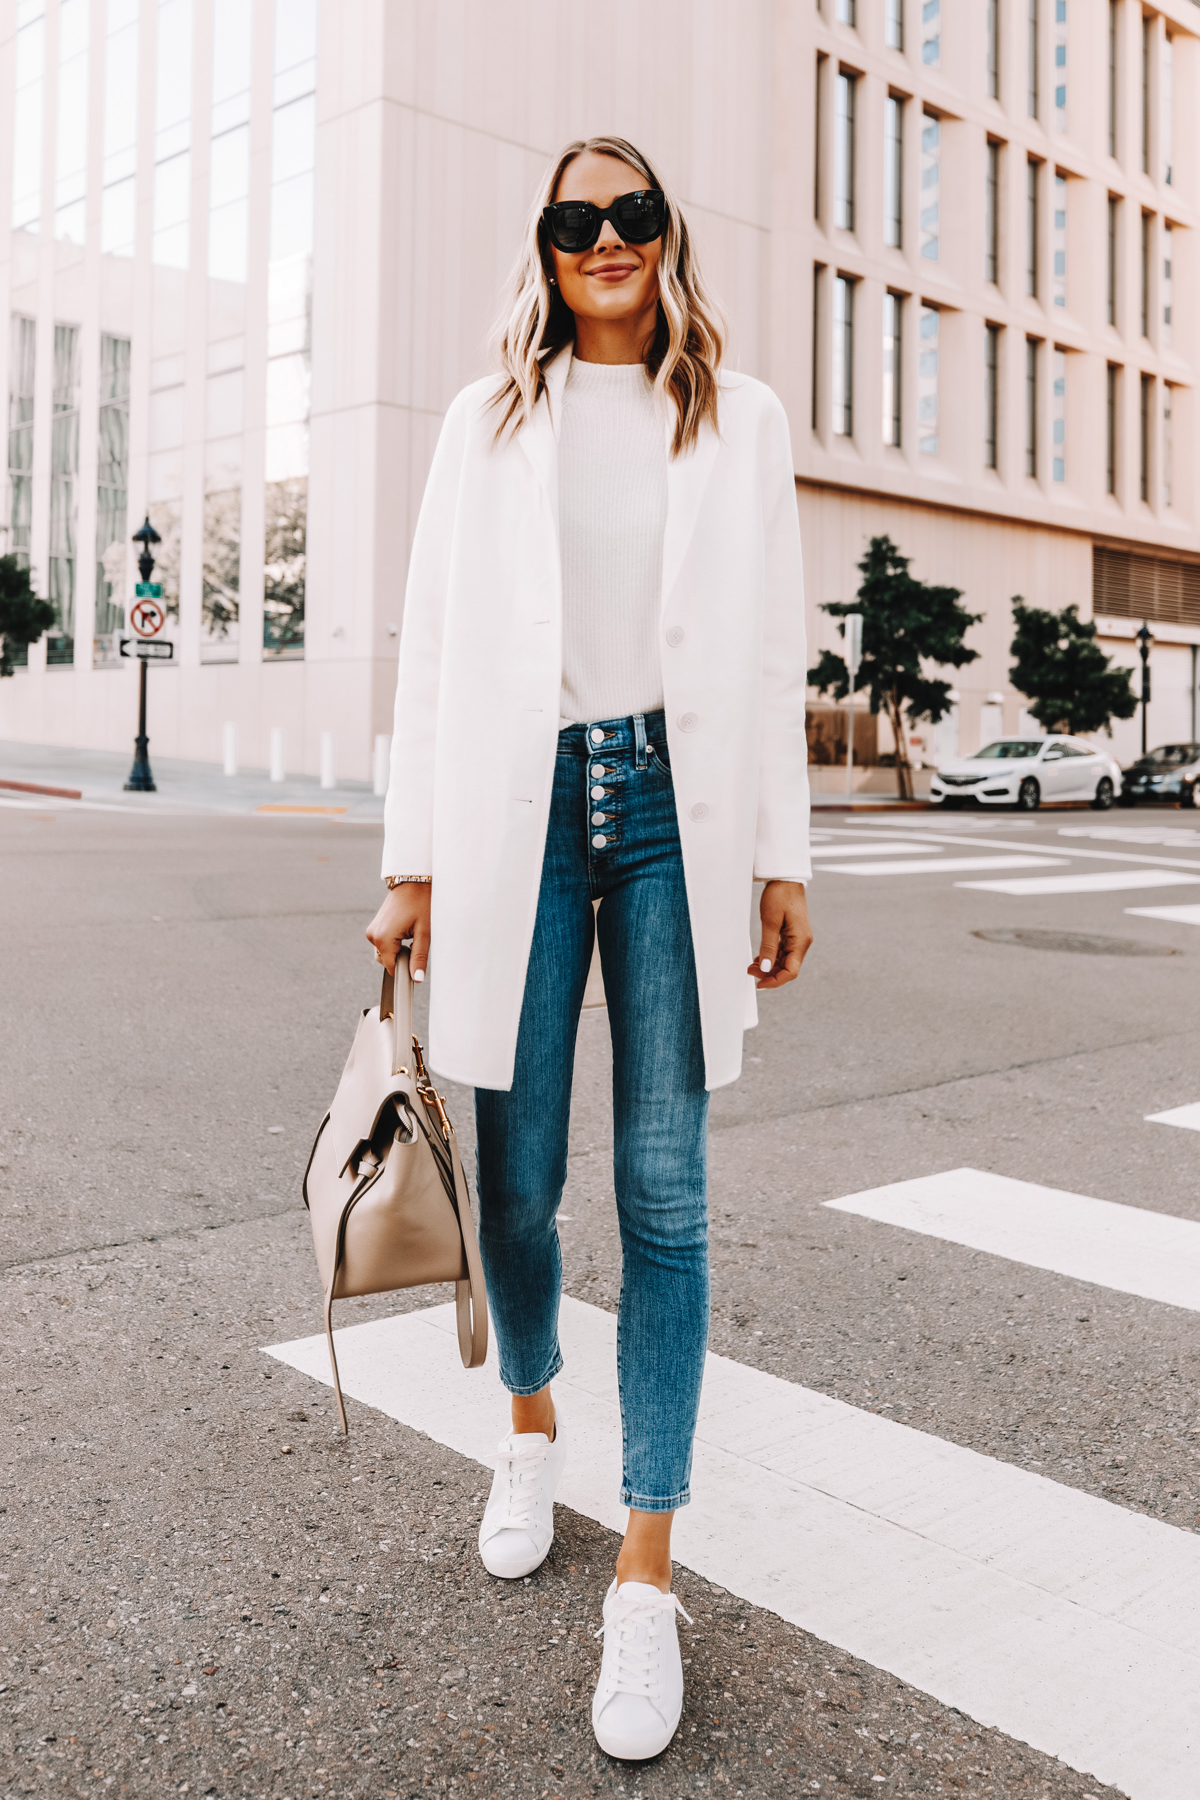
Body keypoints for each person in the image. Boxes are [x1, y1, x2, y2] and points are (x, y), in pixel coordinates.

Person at [366, 133, 812, 1763]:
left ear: (667, 235)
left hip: (679, 819)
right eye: (578, 218)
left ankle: (647, 1569)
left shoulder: (739, 416)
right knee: (521, 1166)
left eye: (632, 214)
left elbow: (769, 658)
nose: (607, 237)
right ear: (545, 246)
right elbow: (431, 658)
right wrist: (410, 860)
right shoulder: (488, 424)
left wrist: (781, 854)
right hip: (520, 819)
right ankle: (534, 1419)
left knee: (670, 1194)